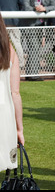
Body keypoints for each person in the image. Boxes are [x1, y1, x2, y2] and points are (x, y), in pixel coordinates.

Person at [0, 13, 24, 172]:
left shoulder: (9, 50)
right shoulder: (9, 50)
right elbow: (15, 93)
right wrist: (19, 128)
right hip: (5, 113)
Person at [23, 0, 55, 80]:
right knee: (34, 48)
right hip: (30, 25)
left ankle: (29, 74)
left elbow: (54, 6)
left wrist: (44, 9)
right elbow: (26, 7)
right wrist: (36, 9)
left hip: (42, 26)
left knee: (35, 49)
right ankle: (33, 75)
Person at [0, 0, 25, 70]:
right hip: (13, 21)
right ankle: (21, 64)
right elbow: (21, 2)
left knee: (2, 43)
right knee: (16, 42)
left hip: (2, 21)